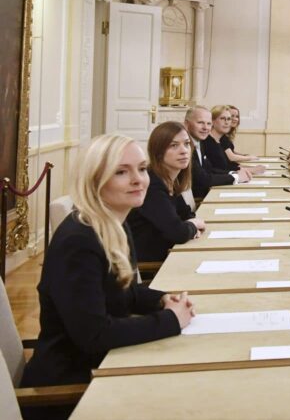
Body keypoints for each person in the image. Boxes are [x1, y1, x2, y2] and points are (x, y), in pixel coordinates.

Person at [20, 135, 194, 415]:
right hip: (72, 390)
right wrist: (171, 320)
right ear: (94, 180)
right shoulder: (79, 241)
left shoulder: (113, 222)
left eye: (142, 168)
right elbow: (94, 335)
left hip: (107, 365)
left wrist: (162, 300)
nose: (138, 180)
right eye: (121, 172)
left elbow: (125, 291)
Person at [128, 122, 206, 263]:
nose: (184, 151)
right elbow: (178, 233)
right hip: (151, 263)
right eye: (174, 145)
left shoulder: (171, 179)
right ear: (158, 152)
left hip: (170, 253)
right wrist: (192, 227)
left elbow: (187, 214)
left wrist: (189, 226)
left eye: (187, 144)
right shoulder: (152, 184)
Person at [185, 105, 250, 201]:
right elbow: (203, 179)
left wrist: (234, 173)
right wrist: (236, 177)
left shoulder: (199, 142)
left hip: (206, 196)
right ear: (186, 124)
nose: (205, 128)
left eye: (208, 123)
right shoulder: (185, 146)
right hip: (198, 199)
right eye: (200, 123)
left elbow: (209, 169)